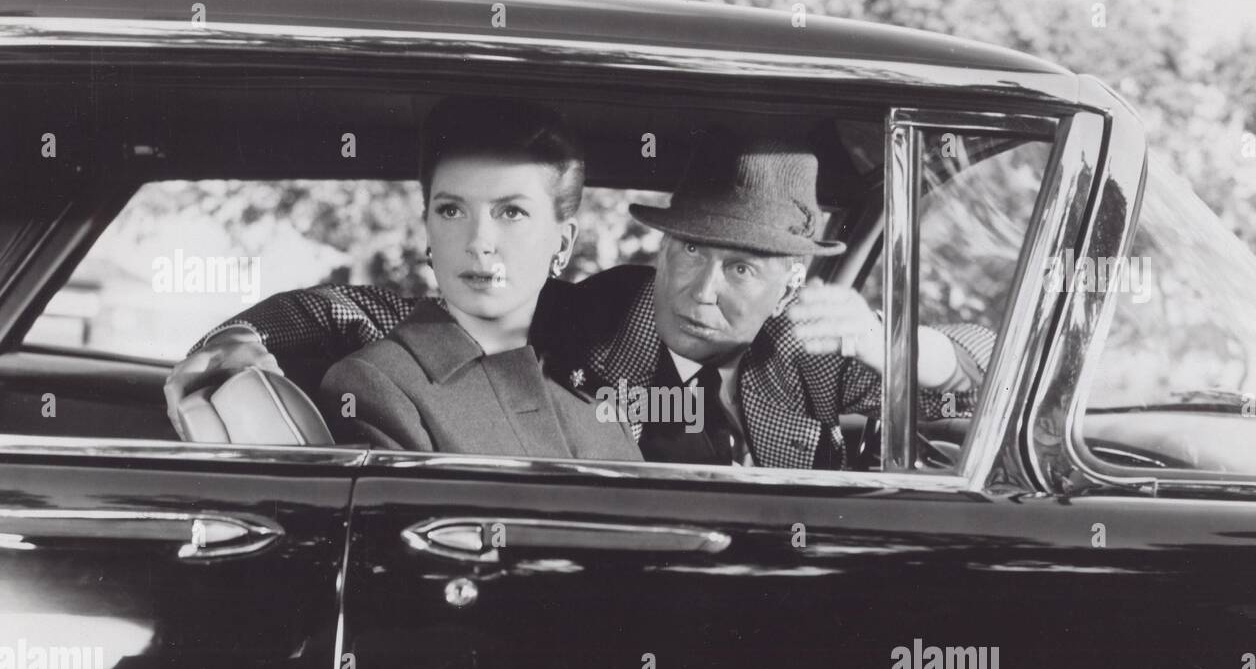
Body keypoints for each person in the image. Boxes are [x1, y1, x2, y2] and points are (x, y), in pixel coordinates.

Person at [168, 126, 993, 470]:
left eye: (742, 269)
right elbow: (357, 310)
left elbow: (999, 370)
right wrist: (241, 332)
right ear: (661, 246)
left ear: (788, 281)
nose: (702, 290)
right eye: (689, 252)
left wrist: (904, 348)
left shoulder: (804, 351)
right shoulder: (589, 318)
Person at [174, 96, 642, 460]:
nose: (479, 240)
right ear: (429, 228)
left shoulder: (597, 378)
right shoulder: (379, 385)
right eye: (452, 210)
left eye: (512, 212)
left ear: (562, 244)